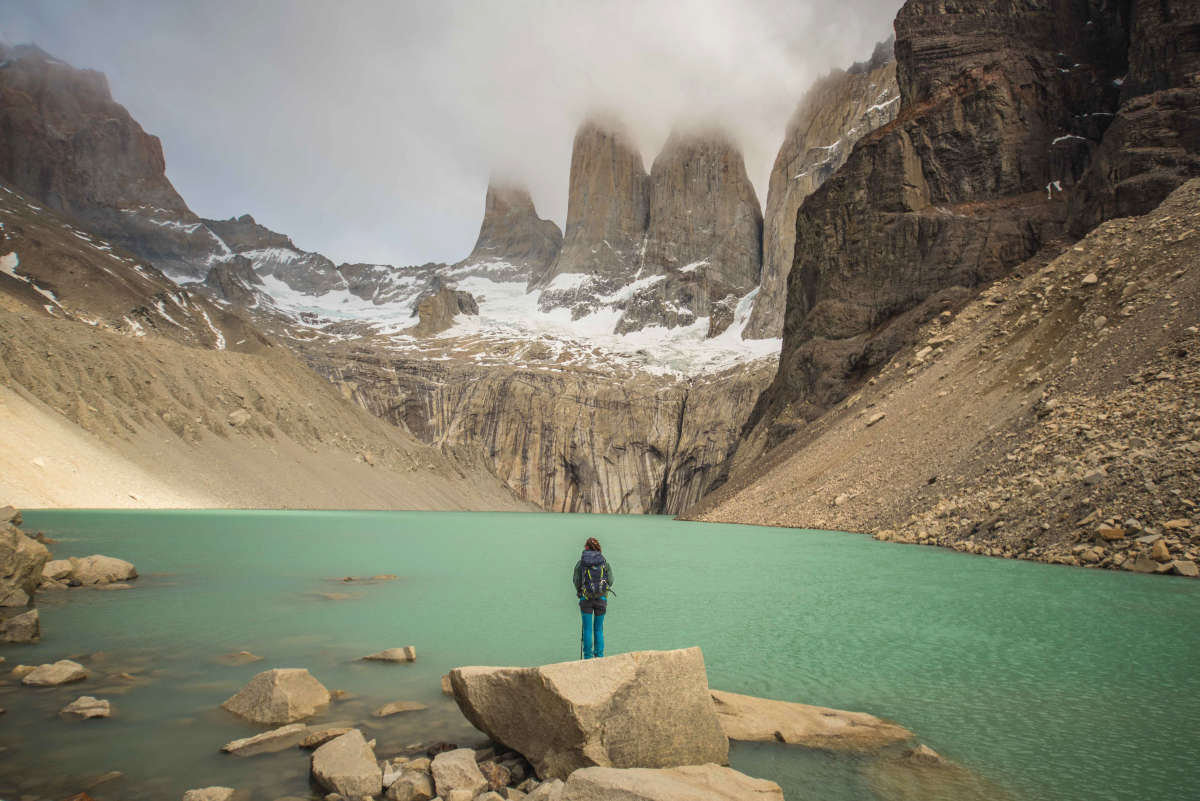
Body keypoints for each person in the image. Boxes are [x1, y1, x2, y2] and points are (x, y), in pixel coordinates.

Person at [572, 537, 613, 659]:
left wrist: (580, 591)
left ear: (586, 547)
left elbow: (576, 580)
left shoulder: (581, 563)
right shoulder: (605, 562)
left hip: (585, 599)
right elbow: (610, 580)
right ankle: (599, 657)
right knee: (598, 629)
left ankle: (588, 657)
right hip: (602, 598)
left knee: (587, 629)